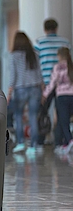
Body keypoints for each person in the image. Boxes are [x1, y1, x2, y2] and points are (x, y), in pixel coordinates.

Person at [35, 18, 72, 147]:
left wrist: (41, 85)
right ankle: (60, 141)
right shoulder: (65, 42)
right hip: (66, 85)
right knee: (63, 114)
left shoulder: (39, 43)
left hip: (47, 83)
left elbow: (36, 65)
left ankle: (40, 141)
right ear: (56, 28)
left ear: (45, 29)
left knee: (42, 112)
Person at [7, 31, 43, 154]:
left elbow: (13, 76)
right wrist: (42, 90)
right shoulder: (34, 54)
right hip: (35, 87)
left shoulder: (14, 56)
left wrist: (9, 91)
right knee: (33, 116)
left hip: (20, 88)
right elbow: (39, 73)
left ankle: (21, 143)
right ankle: (33, 145)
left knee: (18, 116)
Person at [42, 47, 73, 155]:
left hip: (61, 97)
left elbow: (52, 83)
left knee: (63, 121)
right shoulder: (71, 66)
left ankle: (70, 140)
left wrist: (45, 95)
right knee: (68, 119)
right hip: (71, 96)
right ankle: (65, 144)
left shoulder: (57, 67)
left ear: (59, 56)